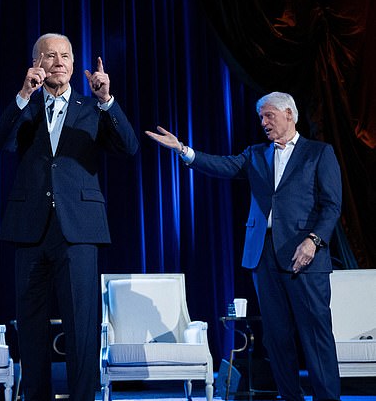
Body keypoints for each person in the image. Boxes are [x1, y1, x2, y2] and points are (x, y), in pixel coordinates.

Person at [146, 92, 342, 401]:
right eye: (261, 117)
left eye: (269, 116)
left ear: (289, 114)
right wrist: (185, 150)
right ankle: (290, 397)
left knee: (316, 335)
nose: (263, 122)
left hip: (305, 257)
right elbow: (223, 166)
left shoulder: (318, 153)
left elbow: (331, 206)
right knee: (277, 338)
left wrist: (313, 241)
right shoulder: (255, 154)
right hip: (263, 256)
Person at [0, 33, 138, 400]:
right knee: (31, 327)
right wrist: (24, 94)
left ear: (74, 64)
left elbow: (129, 147)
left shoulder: (93, 109)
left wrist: (107, 100)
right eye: (50, 56)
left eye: (66, 56)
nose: (59, 61)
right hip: (30, 229)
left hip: (79, 229)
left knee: (81, 326)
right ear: (36, 62)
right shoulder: (26, 106)